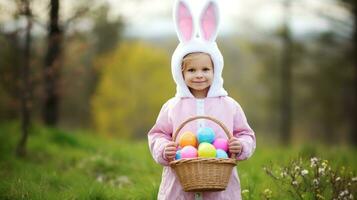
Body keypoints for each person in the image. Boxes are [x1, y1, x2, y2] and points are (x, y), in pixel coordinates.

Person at [148, 0, 256, 199]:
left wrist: (240, 146)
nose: (199, 75)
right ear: (180, 73)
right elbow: (158, 134)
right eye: (191, 70)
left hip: (220, 172)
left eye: (206, 69)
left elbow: (245, 133)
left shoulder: (229, 105)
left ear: (216, 70)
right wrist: (164, 149)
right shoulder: (173, 106)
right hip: (180, 170)